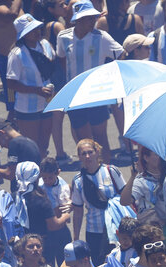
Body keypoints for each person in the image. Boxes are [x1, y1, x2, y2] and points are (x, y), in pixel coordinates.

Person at [55, 2, 123, 157]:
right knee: (84, 140)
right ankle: (90, 173)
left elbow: (121, 54)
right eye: (89, 18)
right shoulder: (63, 37)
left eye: (94, 17)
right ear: (78, 20)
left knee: (100, 138)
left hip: (96, 94)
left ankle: (107, 173)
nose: (93, 21)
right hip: (75, 96)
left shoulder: (102, 37)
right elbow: (62, 59)